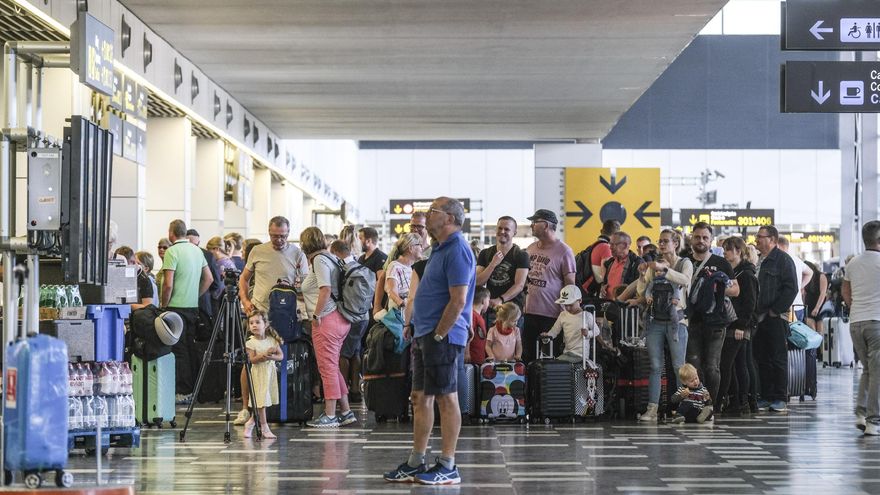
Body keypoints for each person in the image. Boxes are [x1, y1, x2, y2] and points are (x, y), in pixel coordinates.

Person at [384, 197, 474, 486]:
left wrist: (439, 333)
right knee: (419, 398)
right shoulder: (438, 249)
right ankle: (416, 460)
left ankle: (448, 464)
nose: (425, 215)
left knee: (447, 398)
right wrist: (415, 326)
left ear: (448, 218)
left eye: (432, 211)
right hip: (425, 334)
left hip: (442, 337)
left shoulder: (458, 249)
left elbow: (459, 300)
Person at [234, 217, 308, 425]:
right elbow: (244, 278)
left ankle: (282, 405)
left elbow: (305, 285)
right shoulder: (257, 251)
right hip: (260, 313)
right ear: (269, 232)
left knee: (280, 360)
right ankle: (245, 407)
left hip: (285, 314)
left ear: (288, 232)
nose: (279, 240)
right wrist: (245, 299)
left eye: (283, 236)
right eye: (275, 236)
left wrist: (295, 286)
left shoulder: (297, 253)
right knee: (251, 359)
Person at [300, 227, 356, 428]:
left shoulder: (319, 260)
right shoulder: (331, 258)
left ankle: (330, 414)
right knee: (332, 366)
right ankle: (346, 411)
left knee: (327, 368)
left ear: (305, 243)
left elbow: (325, 289)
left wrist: (315, 315)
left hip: (327, 320)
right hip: (339, 319)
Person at [685, 222, 739, 410]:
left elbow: (736, 290)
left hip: (716, 322)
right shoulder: (684, 261)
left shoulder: (721, 263)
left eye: (705, 237)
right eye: (697, 237)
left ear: (711, 240)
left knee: (712, 366)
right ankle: (695, 404)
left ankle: (712, 405)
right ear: (691, 237)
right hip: (691, 320)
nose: (701, 241)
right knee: (693, 364)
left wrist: (714, 288)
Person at [160, 219, 214, 403]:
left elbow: (168, 284)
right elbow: (209, 279)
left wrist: (163, 305)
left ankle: (183, 391)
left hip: (175, 307)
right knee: (191, 349)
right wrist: (195, 294)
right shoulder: (197, 250)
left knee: (179, 350)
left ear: (171, 233)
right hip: (192, 307)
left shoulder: (172, 251)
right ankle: (194, 389)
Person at [753, 225, 798, 413]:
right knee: (762, 357)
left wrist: (775, 310)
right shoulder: (760, 261)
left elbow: (791, 288)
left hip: (776, 317)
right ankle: (767, 395)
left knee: (778, 358)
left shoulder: (783, 260)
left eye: (760, 237)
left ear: (771, 239)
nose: (756, 240)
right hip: (759, 317)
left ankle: (780, 397)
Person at [522, 209, 576, 363]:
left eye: (534, 222)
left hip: (552, 315)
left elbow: (570, 284)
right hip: (529, 312)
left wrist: (568, 313)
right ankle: (530, 387)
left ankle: (546, 387)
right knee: (529, 356)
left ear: (545, 225)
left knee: (549, 358)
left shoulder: (564, 251)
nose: (531, 225)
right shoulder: (531, 248)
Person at [843, 220, 880, 436]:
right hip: (876, 322)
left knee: (868, 370)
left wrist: (857, 308)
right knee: (877, 373)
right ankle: (873, 421)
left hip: (856, 323)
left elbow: (846, 293)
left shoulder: (853, 263)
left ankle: (861, 412)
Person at [718, 237, 759, 416]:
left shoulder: (746, 275)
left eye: (728, 249)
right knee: (737, 363)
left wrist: (742, 326)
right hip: (733, 324)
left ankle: (740, 400)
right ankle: (742, 400)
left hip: (740, 326)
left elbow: (750, 303)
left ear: (738, 252)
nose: (725, 253)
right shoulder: (734, 273)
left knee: (736, 364)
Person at [476, 216, 530, 323]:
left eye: (507, 229)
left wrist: (500, 299)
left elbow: (519, 285)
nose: (502, 231)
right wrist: (492, 264)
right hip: (490, 310)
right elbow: (478, 282)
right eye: (500, 228)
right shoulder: (485, 253)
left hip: (512, 312)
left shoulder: (521, 255)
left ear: (514, 232)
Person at [242, 310, 283, 439]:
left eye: (257, 322)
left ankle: (251, 422)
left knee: (263, 401)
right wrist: (263, 356)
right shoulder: (250, 342)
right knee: (261, 402)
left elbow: (280, 356)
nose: (254, 325)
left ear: (265, 324)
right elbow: (251, 360)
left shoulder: (272, 340)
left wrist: (271, 357)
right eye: (251, 323)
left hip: (269, 374)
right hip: (258, 374)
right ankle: (264, 426)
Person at [542, 284, 600, 364]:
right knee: (554, 364)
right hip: (567, 353)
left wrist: (588, 334)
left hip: (581, 355)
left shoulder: (586, 315)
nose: (568, 308)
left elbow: (597, 331)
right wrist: (547, 336)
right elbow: (554, 331)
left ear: (580, 300)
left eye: (571, 305)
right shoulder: (563, 315)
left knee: (558, 364)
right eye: (566, 305)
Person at [576, 219, 619, 302]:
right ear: (616, 234)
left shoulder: (593, 246)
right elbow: (606, 275)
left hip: (585, 290)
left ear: (601, 231)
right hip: (591, 293)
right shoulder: (606, 248)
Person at [778, 236, 814, 321]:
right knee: (797, 333)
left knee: (786, 333)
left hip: (786, 307)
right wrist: (800, 286)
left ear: (778, 246)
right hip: (798, 306)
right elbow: (810, 272)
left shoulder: (781, 260)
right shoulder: (796, 259)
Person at [600, 231, 643, 301]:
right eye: (610, 244)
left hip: (624, 308)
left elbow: (641, 290)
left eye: (614, 244)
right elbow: (606, 283)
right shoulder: (610, 262)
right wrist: (603, 287)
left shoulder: (637, 263)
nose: (610, 247)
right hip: (608, 306)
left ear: (625, 245)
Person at [803, 259, 829, 335]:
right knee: (812, 329)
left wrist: (817, 308)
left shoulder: (821, 276)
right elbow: (804, 293)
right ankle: (815, 346)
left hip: (819, 305)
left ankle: (821, 347)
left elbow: (823, 293)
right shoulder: (806, 276)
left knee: (820, 331)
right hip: (809, 305)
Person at [468, 287, 490, 365]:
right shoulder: (472, 315)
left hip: (479, 359)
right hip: (471, 360)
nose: (489, 303)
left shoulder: (479, 317)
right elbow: (468, 334)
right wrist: (466, 353)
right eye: (488, 300)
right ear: (483, 301)